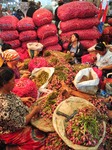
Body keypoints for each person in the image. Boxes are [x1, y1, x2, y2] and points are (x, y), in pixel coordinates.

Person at [0, 67, 46, 149]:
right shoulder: (5, 105)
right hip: (11, 132)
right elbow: (20, 124)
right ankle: (13, 147)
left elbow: (11, 98)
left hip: (17, 119)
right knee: (40, 139)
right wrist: (33, 112)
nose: (15, 82)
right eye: (13, 81)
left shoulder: (5, 91)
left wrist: (22, 99)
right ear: (4, 83)